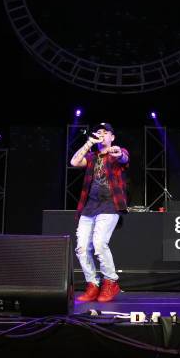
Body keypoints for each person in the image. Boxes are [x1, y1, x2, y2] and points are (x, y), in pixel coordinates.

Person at [70, 123, 129, 302]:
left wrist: (117, 152)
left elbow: (123, 157)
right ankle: (92, 284)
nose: (101, 135)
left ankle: (111, 281)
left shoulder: (117, 152)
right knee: (81, 248)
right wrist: (89, 142)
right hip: (90, 207)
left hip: (110, 204)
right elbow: (73, 162)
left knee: (99, 243)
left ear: (112, 137)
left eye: (106, 133)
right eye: (99, 132)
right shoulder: (91, 156)